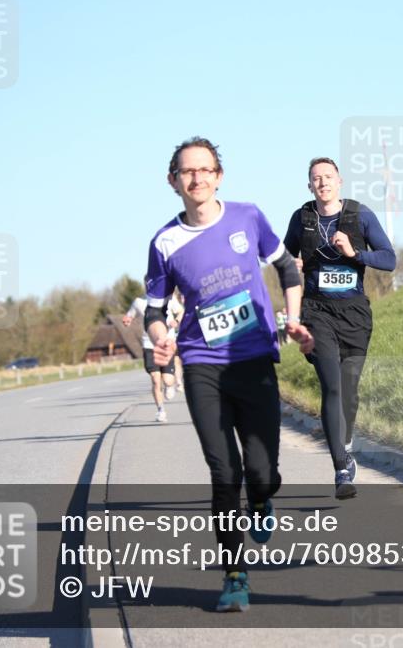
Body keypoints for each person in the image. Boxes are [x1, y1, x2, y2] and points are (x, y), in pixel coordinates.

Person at [146, 136, 313, 612]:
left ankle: (262, 500)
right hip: (202, 364)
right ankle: (235, 575)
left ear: (219, 176)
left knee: (262, 474)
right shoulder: (165, 242)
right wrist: (160, 335)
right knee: (224, 472)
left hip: (254, 356)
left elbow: (287, 268)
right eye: (186, 171)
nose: (196, 178)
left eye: (204, 170)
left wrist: (293, 317)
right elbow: (155, 309)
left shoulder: (247, 217)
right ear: (172, 181)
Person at [283, 157, 396, 499]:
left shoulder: (360, 215)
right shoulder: (301, 219)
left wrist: (355, 253)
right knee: (331, 385)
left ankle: (344, 441)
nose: (322, 183)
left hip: (355, 314)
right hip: (317, 312)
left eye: (328, 177)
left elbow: (389, 260)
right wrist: (292, 264)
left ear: (339, 181)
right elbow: (280, 260)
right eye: (316, 178)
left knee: (348, 388)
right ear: (309, 186)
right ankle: (341, 469)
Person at [123, 292, 176, 422]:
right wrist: (127, 319)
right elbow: (129, 315)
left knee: (168, 380)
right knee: (155, 379)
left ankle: (170, 385)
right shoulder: (138, 302)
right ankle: (160, 410)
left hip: (166, 343)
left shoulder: (169, 298)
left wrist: (177, 320)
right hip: (148, 344)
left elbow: (180, 311)